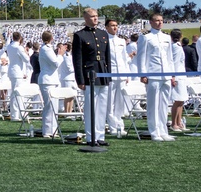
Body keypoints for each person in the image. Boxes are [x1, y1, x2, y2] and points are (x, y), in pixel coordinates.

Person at [71, 8, 111, 146]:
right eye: (93, 16)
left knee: (102, 107)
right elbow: (77, 60)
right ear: (86, 18)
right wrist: (80, 79)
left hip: (102, 73)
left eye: (97, 16)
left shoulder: (103, 34)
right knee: (90, 108)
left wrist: (108, 75)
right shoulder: (80, 35)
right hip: (89, 75)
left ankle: (100, 135)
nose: (96, 19)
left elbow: (107, 57)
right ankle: (91, 137)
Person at [136, 13, 176, 141]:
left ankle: (163, 131)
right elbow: (141, 57)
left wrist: (172, 74)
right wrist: (143, 74)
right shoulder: (146, 38)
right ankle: (154, 131)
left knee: (164, 105)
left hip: (166, 74)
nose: (159, 23)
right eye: (157, 20)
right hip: (153, 74)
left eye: (161, 20)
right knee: (153, 105)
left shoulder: (167, 37)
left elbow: (170, 57)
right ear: (151, 22)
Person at [104, 18, 131, 137]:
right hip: (110, 74)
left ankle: (120, 124)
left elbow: (124, 59)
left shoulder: (121, 41)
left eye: (116, 25)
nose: (115, 27)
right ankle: (112, 126)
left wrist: (127, 73)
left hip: (121, 74)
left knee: (120, 103)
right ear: (106, 27)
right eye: (112, 25)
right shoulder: (104, 40)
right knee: (110, 103)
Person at [37, 30, 62, 138]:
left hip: (52, 80)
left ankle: (53, 130)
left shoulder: (48, 49)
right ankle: (47, 131)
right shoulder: (46, 49)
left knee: (54, 107)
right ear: (51, 38)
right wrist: (60, 55)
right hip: (47, 81)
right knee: (49, 106)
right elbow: (55, 63)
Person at [6, 32, 31, 122]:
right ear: (20, 38)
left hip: (13, 71)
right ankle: (16, 115)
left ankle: (15, 114)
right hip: (17, 72)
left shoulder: (9, 46)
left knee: (14, 93)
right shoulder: (19, 47)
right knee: (17, 94)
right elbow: (27, 59)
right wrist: (25, 52)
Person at [168, 30, 188, 133]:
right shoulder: (175, 47)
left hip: (181, 75)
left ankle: (179, 122)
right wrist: (173, 76)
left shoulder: (177, 46)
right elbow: (174, 62)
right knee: (178, 100)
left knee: (181, 100)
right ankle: (174, 123)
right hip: (177, 76)